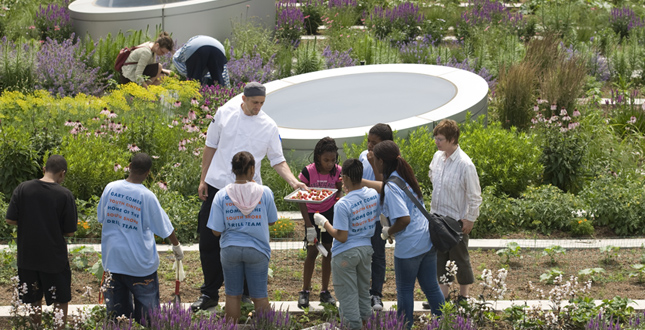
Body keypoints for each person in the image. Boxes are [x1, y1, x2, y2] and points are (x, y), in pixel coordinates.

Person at [193, 81, 307, 312]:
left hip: (251, 192)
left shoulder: (268, 125)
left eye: (262, 103)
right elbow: (210, 146)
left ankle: (243, 293)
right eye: (255, 102)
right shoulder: (224, 113)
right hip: (218, 187)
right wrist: (203, 179)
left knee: (247, 240)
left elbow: (277, 159)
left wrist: (294, 181)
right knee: (208, 240)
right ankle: (210, 293)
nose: (258, 107)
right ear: (243, 99)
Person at [97, 153, 184, 324]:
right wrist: (176, 246)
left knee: (118, 317)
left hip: (113, 261)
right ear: (148, 173)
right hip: (140, 266)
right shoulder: (146, 196)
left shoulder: (111, 188)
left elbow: (102, 217)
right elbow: (165, 227)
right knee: (148, 317)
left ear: (129, 166)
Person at [373, 140, 444, 330]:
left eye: (374, 158)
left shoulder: (391, 186)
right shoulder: (405, 176)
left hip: (410, 247)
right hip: (427, 241)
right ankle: (446, 323)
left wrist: (388, 231)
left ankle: (404, 326)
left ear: (381, 161)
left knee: (405, 290)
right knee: (431, 287)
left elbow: (404, 219)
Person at [5, 155, 77, 330]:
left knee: (33, 297)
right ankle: (58, 327)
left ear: (44, 170)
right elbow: (69, 231)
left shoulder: (23, 189)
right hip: (54, 258)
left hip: (28, 256)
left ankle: (35, 328)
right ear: (62, 173)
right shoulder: (64, 195)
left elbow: (10, 220)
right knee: (60, 298)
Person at [208, 151, 277, 323]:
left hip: (230, 250)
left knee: (232, 295)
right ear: (252, 169)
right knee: (260, 296)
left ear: (233, 169)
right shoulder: (265, 192)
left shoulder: (221, 195)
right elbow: (272, 221)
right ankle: (266, 327)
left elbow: (216, 231)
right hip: (257, 250)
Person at [313, 159, 378, 330]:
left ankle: (352, 326)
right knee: (364, 292)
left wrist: (324, 222)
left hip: (346, 255)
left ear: (346, 177)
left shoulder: (343, 204)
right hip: (365, 251)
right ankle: (367, 325)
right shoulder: (372, 195)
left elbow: (341, 236)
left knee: (348, 296)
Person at [427, 119, 482, 305]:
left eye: (440, 138)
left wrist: (470, 219)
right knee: (440, 258)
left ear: (452, 140)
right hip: (437, 217)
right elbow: (431, 175)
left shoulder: (465, 164)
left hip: (456, 221)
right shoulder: (437, 157)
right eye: (435, 137)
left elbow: (475, 195)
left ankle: (464, 296)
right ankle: (442, 296)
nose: (437, 141)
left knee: (459, 258)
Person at [297, 137, 343, 309]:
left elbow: (339, 189)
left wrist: (337, 201)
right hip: (312, 214)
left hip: (329, 214)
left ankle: (324, 291)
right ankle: (305, 290)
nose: (330, 164)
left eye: (333, 160)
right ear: (317, 157)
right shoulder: (308, 172)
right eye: (326, 160)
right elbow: (301, 198)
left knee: (328, 252)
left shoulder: (337, 171)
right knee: (312, 252)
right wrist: (308, 224)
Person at [358, 123, 393, 311]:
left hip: (378, 215)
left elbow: (384, 185)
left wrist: (373, 163)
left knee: (378, 255)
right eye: (368, 141)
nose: (370, 146)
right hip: (362, 213)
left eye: (375, 142)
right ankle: (362, 292)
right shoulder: (363, 155)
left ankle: (376, 293)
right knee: (362, 253)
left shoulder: (391, 161)